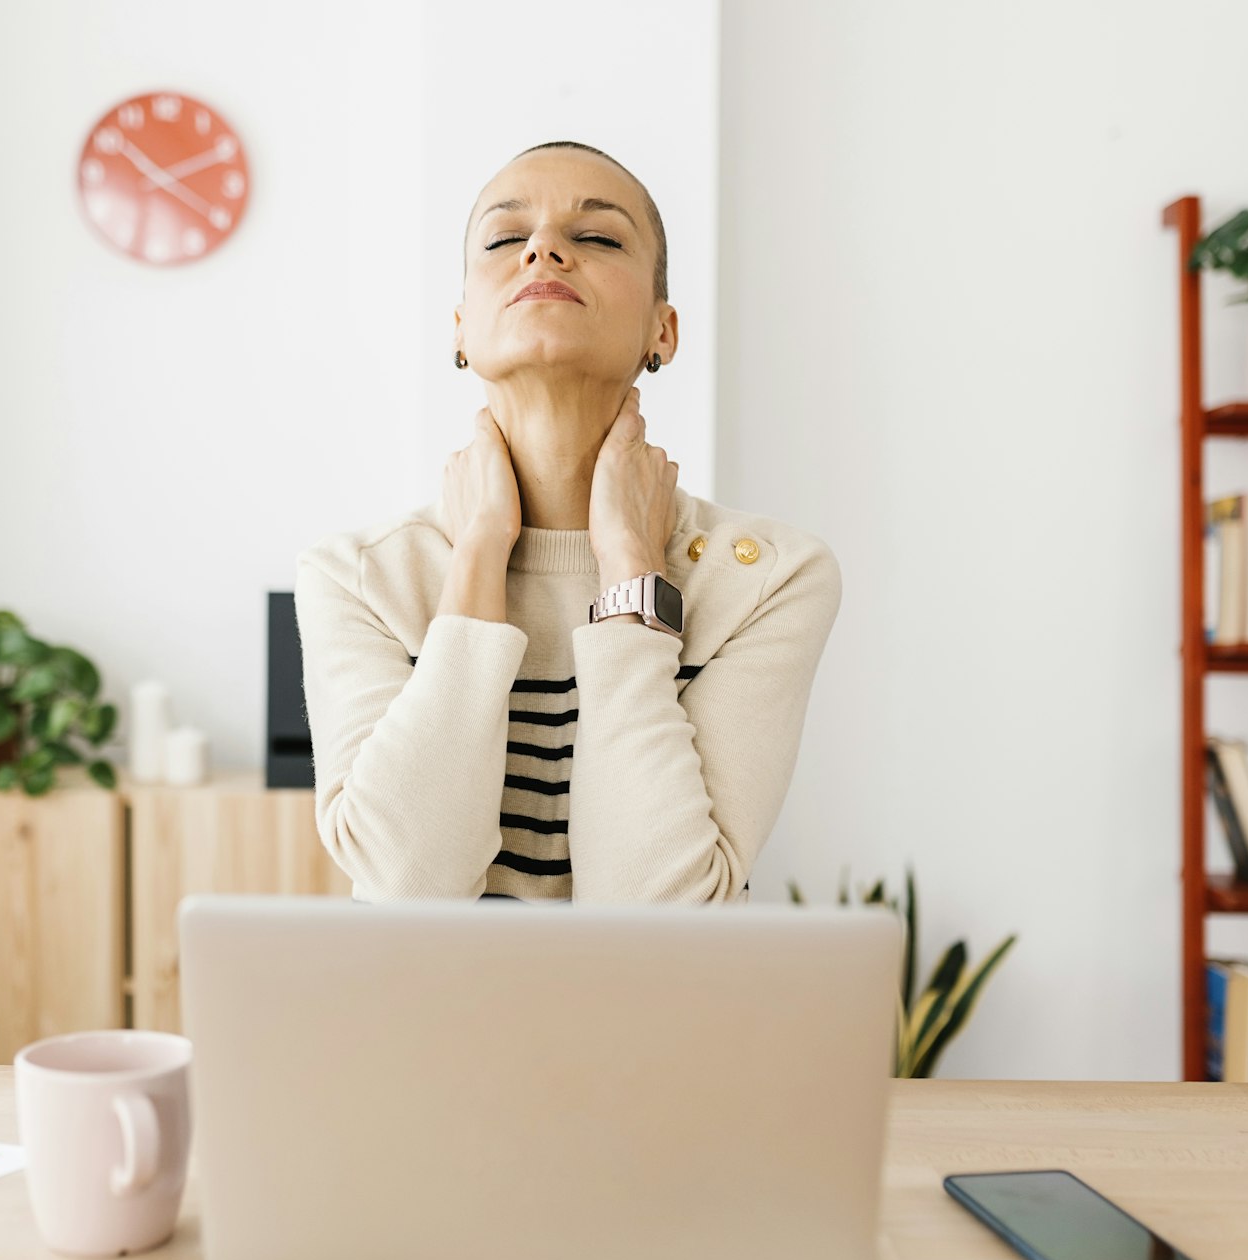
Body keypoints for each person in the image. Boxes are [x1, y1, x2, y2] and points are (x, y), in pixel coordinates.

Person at [294, 141, 841, 904]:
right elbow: (408, 887)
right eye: (504, 238)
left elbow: (656, 907)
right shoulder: (358, 577)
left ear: (664, 331)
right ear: (459, 329)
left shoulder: (766, 576)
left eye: (598, 237)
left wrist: (629, 569)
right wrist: (479, 553)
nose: (543, 248)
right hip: (427, 1025)